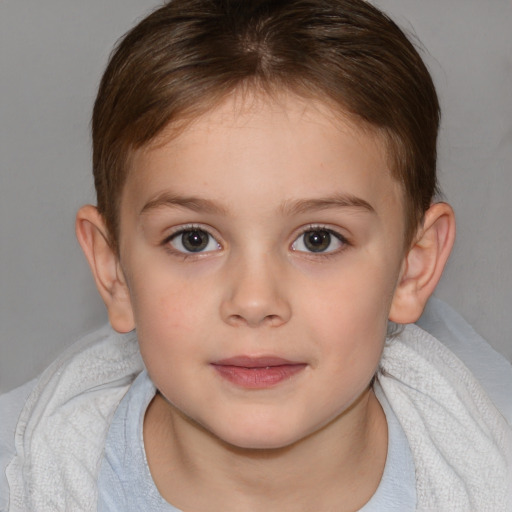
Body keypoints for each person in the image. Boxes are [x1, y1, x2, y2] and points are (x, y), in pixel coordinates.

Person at [1, 0, 511, 510]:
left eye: (318, 239)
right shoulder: (26, 478)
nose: (253, 301)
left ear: (412, 267)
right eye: (193, 239)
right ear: (114, 270)